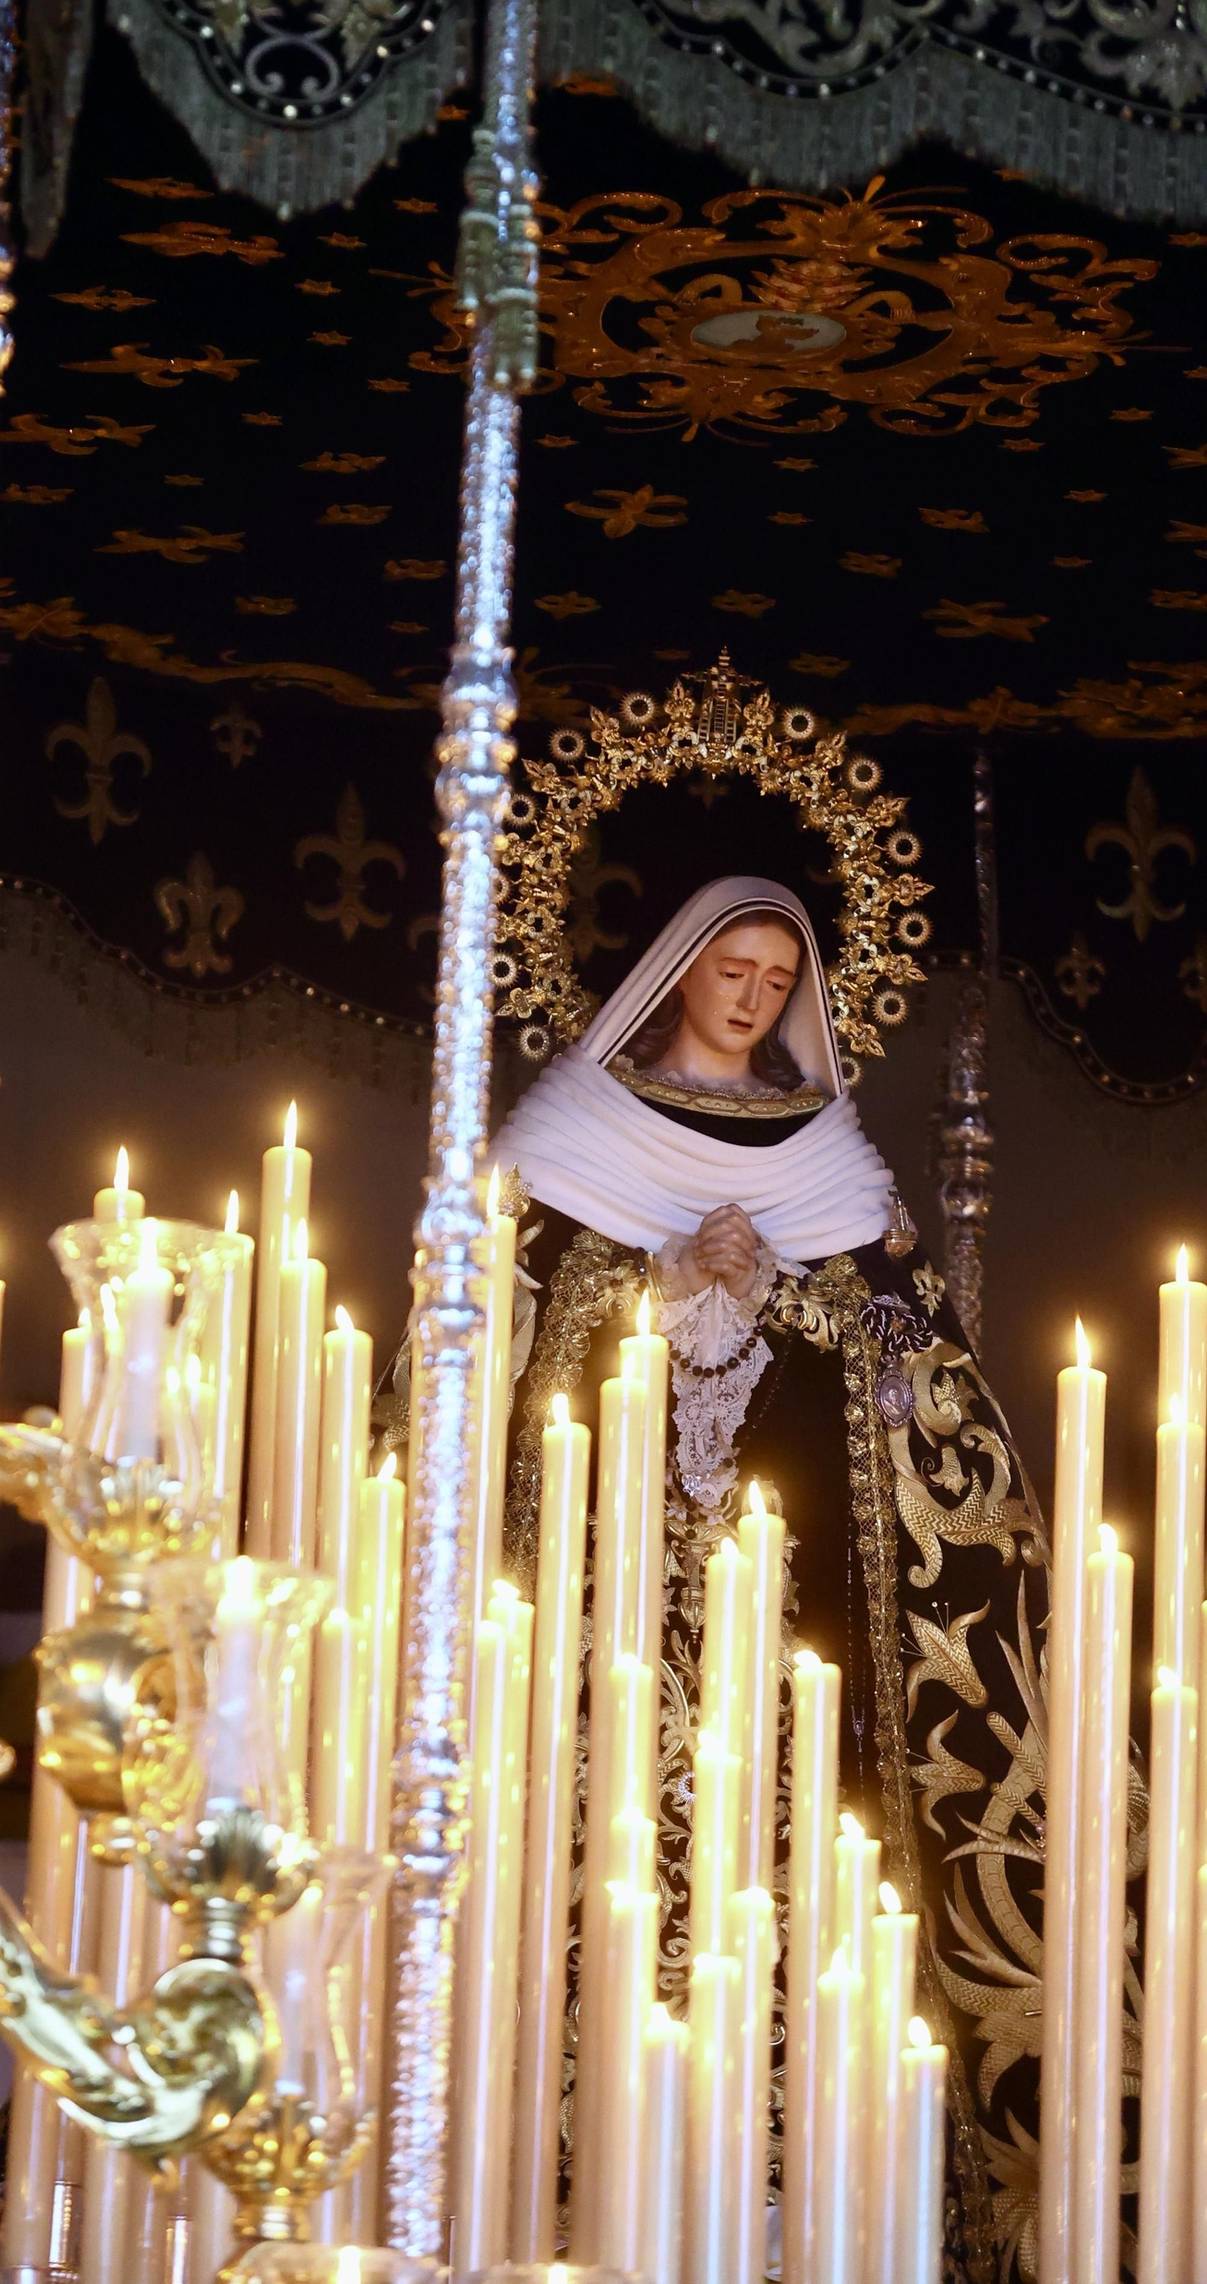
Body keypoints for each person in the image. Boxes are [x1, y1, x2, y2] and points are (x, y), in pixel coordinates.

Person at [494, 877, 1043, 2282]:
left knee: (787, 1874)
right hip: (601, 1615)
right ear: (679, 969)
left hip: (794, 1618)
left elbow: (916, 1378)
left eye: (776, 977)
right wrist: (665, 1286)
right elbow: (491, 1354)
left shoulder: (830, 1160)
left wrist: (777, 1298)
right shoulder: (570, 1137)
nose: (750, 998)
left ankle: (789, 2198)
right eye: (729, 969)